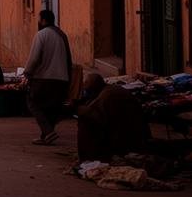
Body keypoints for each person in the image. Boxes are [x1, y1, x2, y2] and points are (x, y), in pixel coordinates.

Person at [24, 9, 73, 145]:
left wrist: (27, 73)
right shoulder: (62, 35)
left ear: (43, 20)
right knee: (51, 107)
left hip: (43, 78)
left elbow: (34, 58)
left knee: (33, 103)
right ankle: (46, 136)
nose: (38, 22)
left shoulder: (41, 35)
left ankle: (48, 131)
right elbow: (69, 59)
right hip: (61, 79)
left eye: (39, 19)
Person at [76, 73, 149, 162]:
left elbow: (94, 114)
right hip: (131, 130)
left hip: (128, 135)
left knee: (85, 123)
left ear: (94, 88)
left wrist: (77, 108)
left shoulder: (107, 95)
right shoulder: (110, 90)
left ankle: (91, 157)